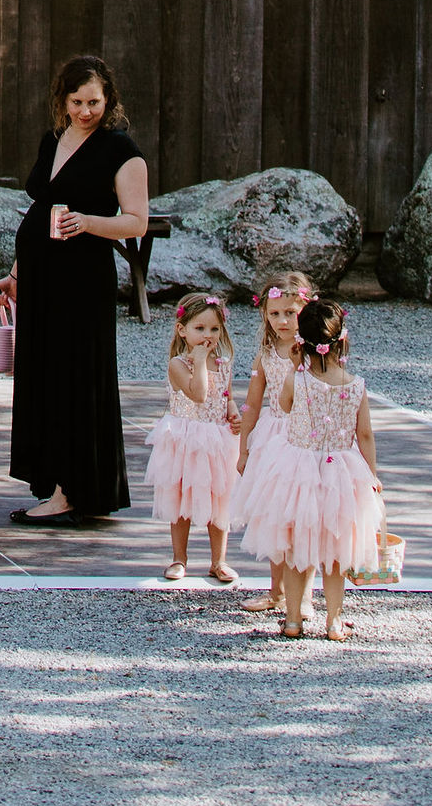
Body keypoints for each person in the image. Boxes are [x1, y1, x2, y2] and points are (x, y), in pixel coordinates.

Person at [2, 52, 150, 527]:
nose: (87, 111)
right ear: (63, 101)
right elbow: (41, 211)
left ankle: (71, 490)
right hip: (43, 278)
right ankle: (51, 481)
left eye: (95, 101)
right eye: (78, 101)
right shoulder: (53, 141)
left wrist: (88, 222)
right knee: (44, 377)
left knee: (75, 379)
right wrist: (17, 274)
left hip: (82, 282)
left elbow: (137, 222)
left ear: (109, 100)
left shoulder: (121, 151)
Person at [238, 295, 383, 641]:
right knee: (335, 552)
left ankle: (292, 621)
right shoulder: (356, 385)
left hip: (298, 469)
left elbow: (284, 409)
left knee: (293, 547)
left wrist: (294, 367)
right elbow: (364, 434)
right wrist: (373, 475)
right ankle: (334, 622)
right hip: (341, 470)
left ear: (301, 340)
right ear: (342, 340)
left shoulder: (296, 380)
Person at [233, 268, 316, 618]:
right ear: (265, 315)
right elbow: (252, 405)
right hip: (273, 440)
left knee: (304, 517)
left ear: (305, 311)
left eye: (290, 313)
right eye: (275, 314)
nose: (283, 321)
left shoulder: (316, 354)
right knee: (276, 516)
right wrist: (244, 447)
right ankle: (276, 591)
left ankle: (306, 596)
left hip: (307, 442)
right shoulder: (265, 356)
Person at [144, 294, 240, 584]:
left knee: (218, 500)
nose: (207, 336)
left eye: (214, 329)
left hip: (216, 440)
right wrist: (198, 361)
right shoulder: (178, 364)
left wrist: (234, 413)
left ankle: (218, 561)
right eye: (200, 329)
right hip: (186, 439)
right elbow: (198, 394)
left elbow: (226, 395)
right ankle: (179, 558)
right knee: (182, 498)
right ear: (182, 330)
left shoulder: (223, 363)